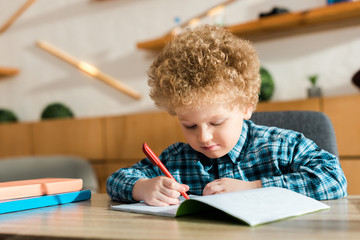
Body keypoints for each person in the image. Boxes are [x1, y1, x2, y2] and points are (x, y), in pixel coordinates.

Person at [106, 25, 347, 206]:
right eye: (189, 125)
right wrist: (143, 187)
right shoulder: (177, 159)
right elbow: (116, 180)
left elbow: (334, 179)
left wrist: (255, 188)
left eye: (216, 122)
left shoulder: (281, 147)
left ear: (246, 107)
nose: (204, 137)